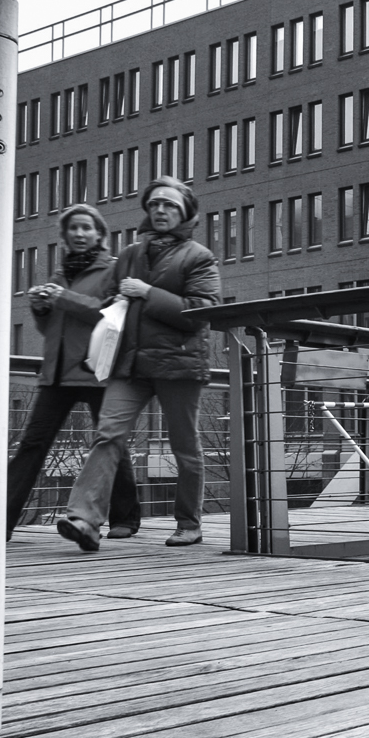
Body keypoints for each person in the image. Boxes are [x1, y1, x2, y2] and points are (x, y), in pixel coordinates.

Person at [56, 177, 221, 551]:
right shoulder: (130, 254)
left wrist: (148, 292)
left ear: (185, 213)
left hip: (179, 364)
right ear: (147, 210)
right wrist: (65, 301)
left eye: (170, 205)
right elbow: (107, 304)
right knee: (108, 435)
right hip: (130, 365)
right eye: (155, 204)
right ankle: (85, 519)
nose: (161, 210)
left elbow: (202, 312)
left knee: (184, 446)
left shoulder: (199, 256)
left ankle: (188, 523)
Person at [7, 206, 141, 541]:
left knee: (110, 444)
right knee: (32, 445)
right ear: (65, 236)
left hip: (96, 369)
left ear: (99, 234)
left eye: (86, 228)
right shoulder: (59, 275)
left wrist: (63, 297)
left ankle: (125, 518)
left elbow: (108, 314)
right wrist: (40, 308)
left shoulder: (112, 271)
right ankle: (0, 519)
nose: (79, 234)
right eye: (73, 229)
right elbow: (51, 329)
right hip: (55, 375)